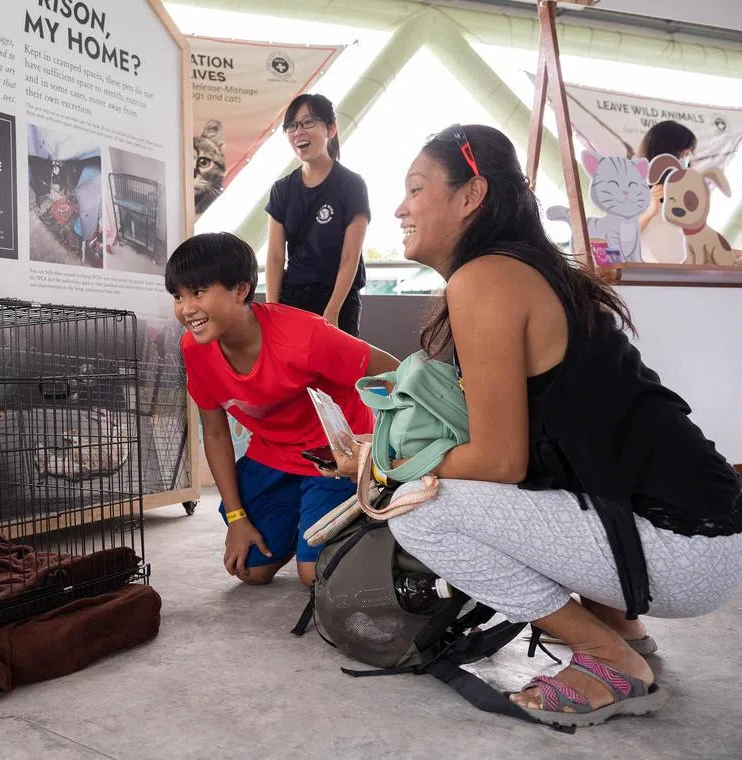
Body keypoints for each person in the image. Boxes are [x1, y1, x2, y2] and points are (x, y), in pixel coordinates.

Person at [325, 124, 742, 726]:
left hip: (684, 549)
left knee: (417, 505)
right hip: (705, 536)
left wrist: (379, 466)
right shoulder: (526, 270)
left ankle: (607, 658)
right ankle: (620, 627)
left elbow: (500, 462)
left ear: (471, 196)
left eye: (416, 189)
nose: (400, 207)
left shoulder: (486, 279)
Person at [167, 231, 399, 587]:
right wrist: (236, 517)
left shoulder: (304, 336)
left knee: (314, 576)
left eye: (197, 293)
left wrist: (388, 450)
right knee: (251, 570)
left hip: (332, 456)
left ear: (241, 289)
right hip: (274, 453)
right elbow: (214, 433)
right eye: (178, 296)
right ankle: (304, 521)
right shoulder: (194, 349)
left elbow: (394, 372)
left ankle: (371, 509)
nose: (186, 309)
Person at [265, 94, 370, 337]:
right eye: (291, 126)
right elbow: (275, 256)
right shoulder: (281, 189)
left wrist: (332, 312)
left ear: (331, 129)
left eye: (308, 122)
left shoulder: (352, 185)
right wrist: (273, 308)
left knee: (338, 373)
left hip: (338, 300)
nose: (298, 132)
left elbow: (350, 256)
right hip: (294, 299)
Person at [636, 120, 697, 264]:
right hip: (648, 277)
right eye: (684, 154)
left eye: (689, 155)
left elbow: (700, 241)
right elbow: (619, 239)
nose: (687, 161)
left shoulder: (683, 194)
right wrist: (648, 214)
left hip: (680, 275)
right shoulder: (633, 190)